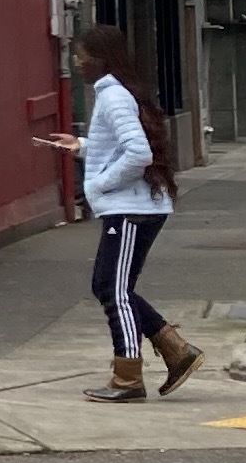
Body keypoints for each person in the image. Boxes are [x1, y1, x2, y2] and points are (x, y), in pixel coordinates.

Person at [42, 23, 197, 400]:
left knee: (113, 291)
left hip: (131, 209)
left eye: (81, 56)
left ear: (101, 59)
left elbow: (139, 154)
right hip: (136, 206)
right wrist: (80, 145)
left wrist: (98, 185)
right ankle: (176, 350)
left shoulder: (113, 97)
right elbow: (122, 146)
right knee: (109, 286)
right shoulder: (118, 93)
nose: (77, 63)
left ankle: (128, 378)